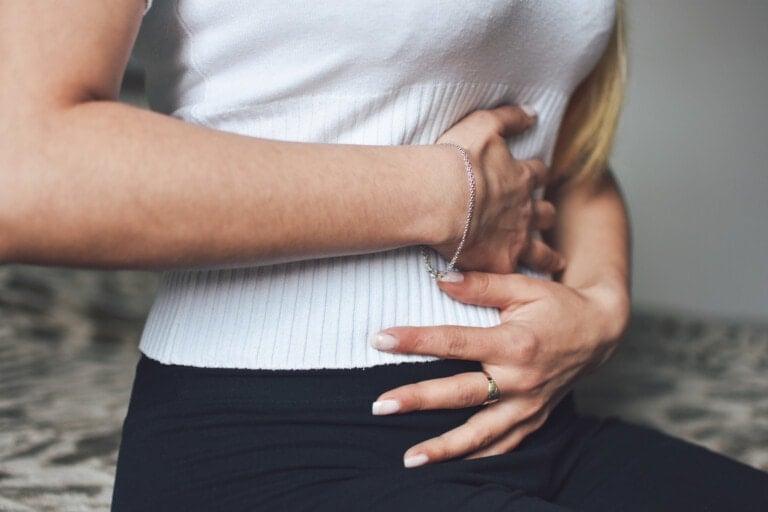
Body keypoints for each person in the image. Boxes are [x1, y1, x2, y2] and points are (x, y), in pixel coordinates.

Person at [1, 1, 766, 510]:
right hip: (270, 450)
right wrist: (442, 194)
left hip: (539, 426)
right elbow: (23, 165)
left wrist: (601, 305)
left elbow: (565, 155)